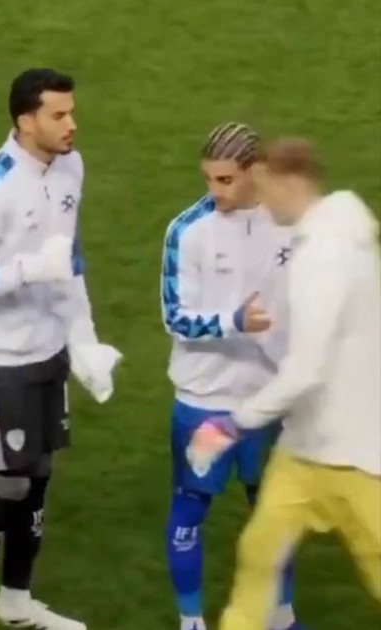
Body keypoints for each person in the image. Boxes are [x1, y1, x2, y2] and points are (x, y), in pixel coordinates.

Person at [0, 68, 121, 630]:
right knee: (6, 484)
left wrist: (84, 340)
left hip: (48, 352)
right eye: (58, 115)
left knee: (38, 476)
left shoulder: (71, 167)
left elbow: (70, 259)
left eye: (71, 111)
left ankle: (15, 600)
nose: (72, 124)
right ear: (25, 120)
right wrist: (27, 269)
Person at [185, 138, 381, 630]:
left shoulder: (324, 257)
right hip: (303, 450)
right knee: (259, 552)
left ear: (290, 182)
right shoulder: (339, 239)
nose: (260, 198)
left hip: (352, 457)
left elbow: (306, 369)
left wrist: (232, 423)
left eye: (265, 186)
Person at [159, 123, 301, 630]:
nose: (214, 192)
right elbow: (174, 317)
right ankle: (191, 622)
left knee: (276, 509)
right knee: (190, 508)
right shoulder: (187, 231)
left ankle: (280, 616)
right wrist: (232, 321)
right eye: (208, 179)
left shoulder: (287, 223)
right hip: (205, 401)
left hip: (267, 401)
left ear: (254, 172)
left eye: (225, 180)